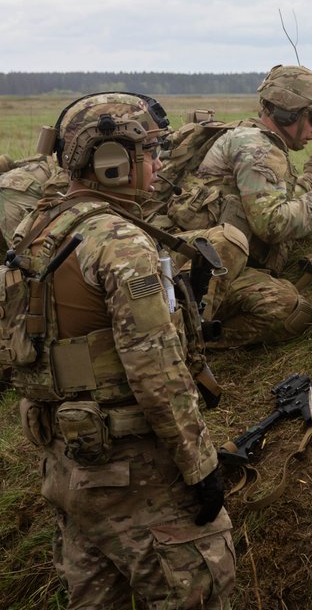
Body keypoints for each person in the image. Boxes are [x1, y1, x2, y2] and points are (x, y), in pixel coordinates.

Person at [3, 92, 234, 608]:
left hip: (66, 465)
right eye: (148, 152)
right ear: (112, 162)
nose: (157, 164)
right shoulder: (120, 242)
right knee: (201, 588)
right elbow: (158, 372)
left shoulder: (35, 228)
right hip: (133, 472)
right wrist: (200, 465)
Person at [159, 64, 312, 346]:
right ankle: (182, 339)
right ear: (289, 111)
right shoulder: (257, 147)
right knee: (290, 311)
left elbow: (280, 201)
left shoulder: (258, 141)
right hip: (200, 269)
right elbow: (272, 224)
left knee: (292, 308)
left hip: (219, 266)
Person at [0, 153, 68, 248]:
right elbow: (6, 160)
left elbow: (17, 255)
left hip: (17, 187)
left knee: (20, 251)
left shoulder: (6, 191)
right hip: (45, 170)